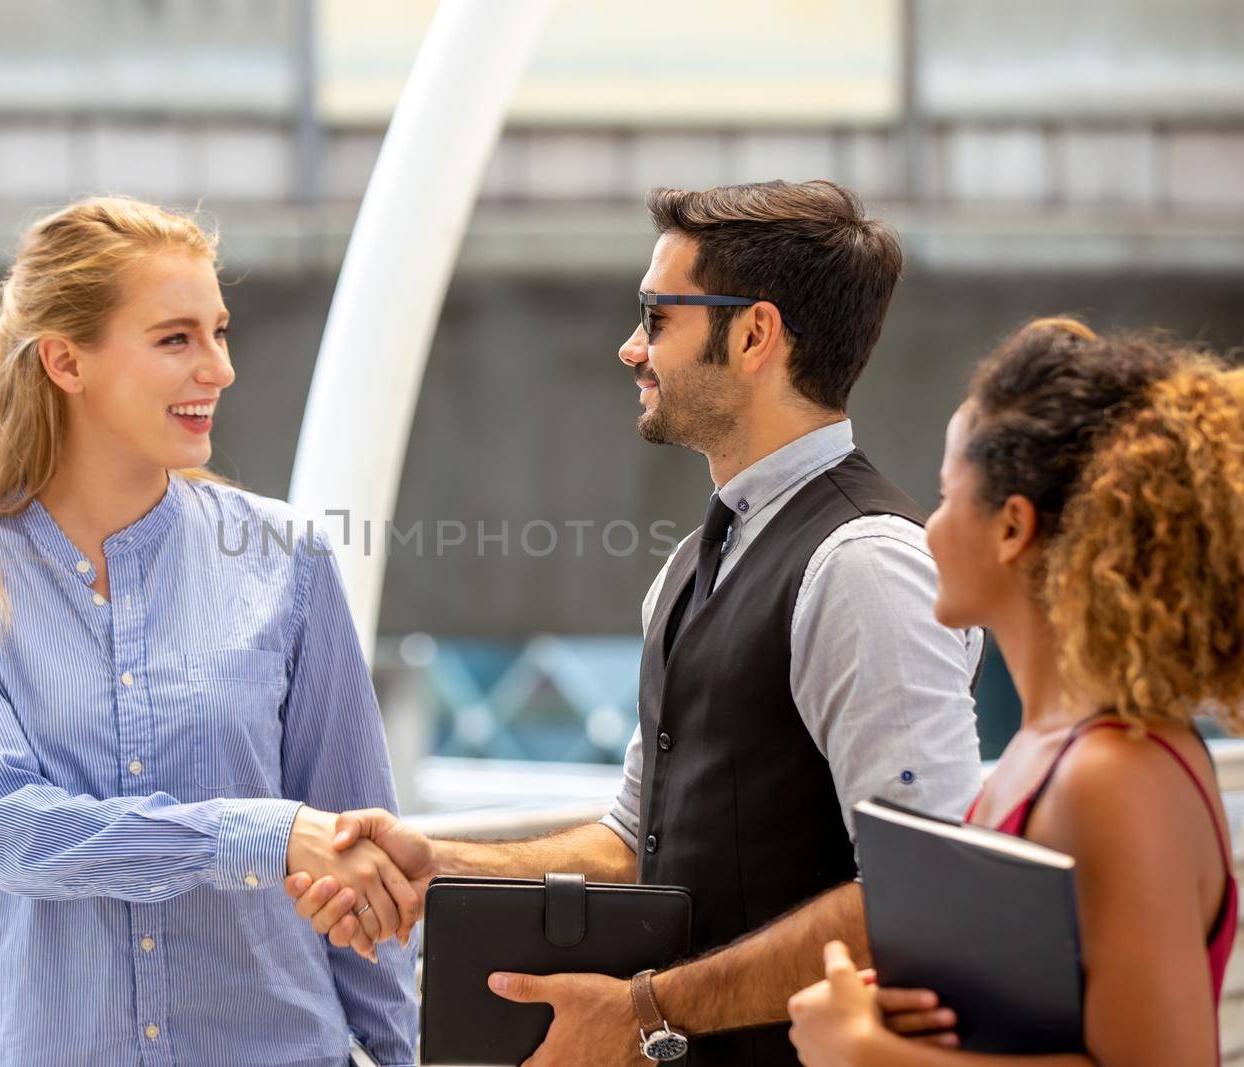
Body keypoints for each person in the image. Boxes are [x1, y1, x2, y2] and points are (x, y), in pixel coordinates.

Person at [287, 180, 985, 1066]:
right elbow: (636, 837)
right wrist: (442, 864)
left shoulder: (865, 566)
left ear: (755, 333)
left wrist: (646, 1008)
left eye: (656, 316)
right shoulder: (691, 565)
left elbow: (919, 894)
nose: (629, 349)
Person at [0, 196, 420, 1066]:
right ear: (65, 361)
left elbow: (363, 856)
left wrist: (398, 1054)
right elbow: (12, 831)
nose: (220, 367)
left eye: (220, 331)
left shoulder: (287, 558)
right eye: (176, 338)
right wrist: (263, 831)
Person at [786, 319, 1244, 1067]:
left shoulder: (1114, 778)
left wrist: (866, 1051)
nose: (927, 529)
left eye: (943, 496)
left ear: (1012, 527)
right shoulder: (1050, 750)